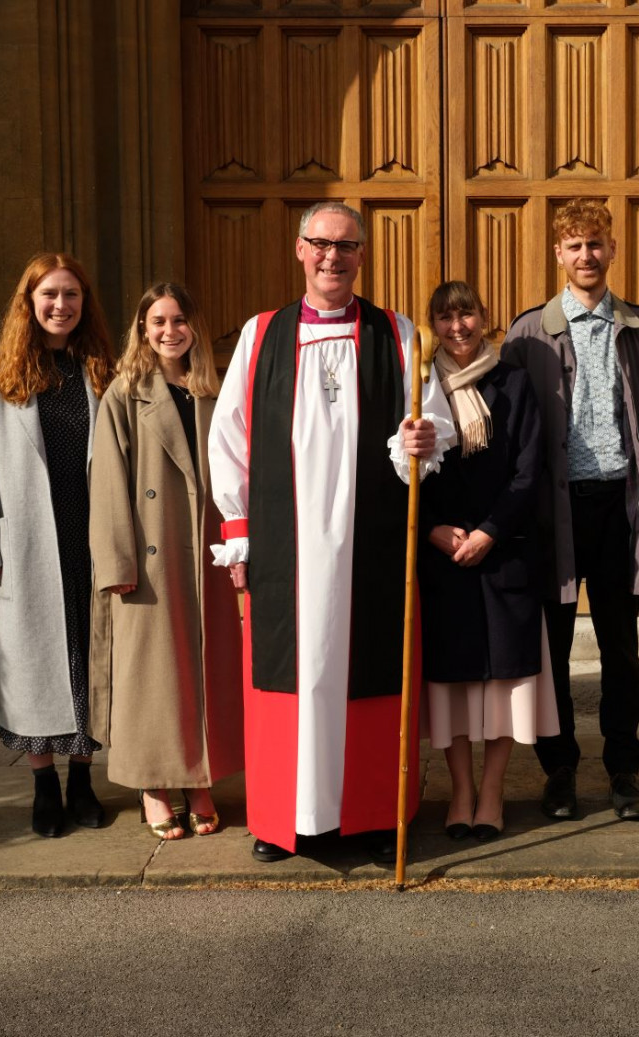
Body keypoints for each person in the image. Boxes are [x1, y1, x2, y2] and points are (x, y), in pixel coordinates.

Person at [208, 201, 454, 864]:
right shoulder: (261, 336)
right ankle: (281, 818)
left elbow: (435, 427)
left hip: (369, 541)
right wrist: (237, 531)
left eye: (346, 247)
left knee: (369, 676)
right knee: (288, 678)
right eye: (320, 244)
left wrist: (422, 441)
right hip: (285, 546)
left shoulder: (398, 335)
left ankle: (371, 816)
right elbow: (228, 436)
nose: (332, 258)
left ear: (362, 255)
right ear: (299, 249)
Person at [501, 199, 639, 823]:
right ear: (558, 254)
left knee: (620, 646)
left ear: (612, 249)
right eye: (574, 245)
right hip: (554, 513)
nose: (586, 256)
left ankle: (625, 767)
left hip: (617, 507)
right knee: (554, 645)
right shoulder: (529, 332)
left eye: (596, 244)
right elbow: (509, 426)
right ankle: (561, 770)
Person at [0, 252, 117, 837]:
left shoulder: (101, 367)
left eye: (71, 294)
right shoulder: (0, 372)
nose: (61, 305)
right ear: (29, 302)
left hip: (91, 538)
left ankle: (83, 780)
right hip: (27, 543)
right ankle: (44, 785)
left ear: (85, 304)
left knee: (90, 660)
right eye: (50, 294)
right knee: (32, 668)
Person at [88, 283, 245, 839]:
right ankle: (154, 785)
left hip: (207, 554)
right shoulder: (124, 394)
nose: (170, 331)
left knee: (201, 670)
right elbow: (106, 486)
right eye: (158, 321)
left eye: (180, 320)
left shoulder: (212, 390)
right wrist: (116, 566)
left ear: (194, 328)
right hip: (150, 560)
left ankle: (199, 778)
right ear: (142, 328)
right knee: (154, 677)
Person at [419, 281, 559, 842]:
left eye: (468, 314)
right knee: (450, 683)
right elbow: (401, 465)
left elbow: (530, 470)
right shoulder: (417, 386)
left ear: (485, 318)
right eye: (446, 317)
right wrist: (432, 529)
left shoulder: (514, 382)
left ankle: (494, 790)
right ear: (433, 323)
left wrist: (490, 531)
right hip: (441, 554)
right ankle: (460, 791)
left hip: (504, 551)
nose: (458, 327)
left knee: (504, 679)